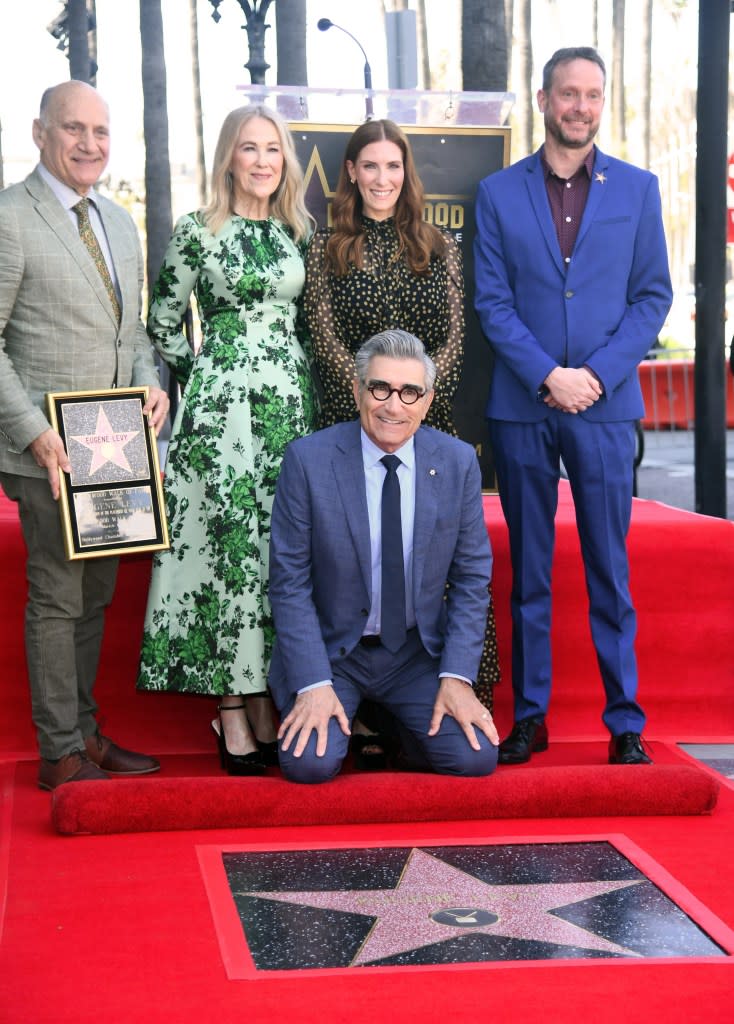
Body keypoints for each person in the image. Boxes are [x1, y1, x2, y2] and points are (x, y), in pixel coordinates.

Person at [473, 47, 673, 766]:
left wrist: (594, 374)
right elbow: (491, 301)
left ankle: (625, 720)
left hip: (606, 405)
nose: (580, 106)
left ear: (601, 102)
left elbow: (654, 296)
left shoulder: (639, 190)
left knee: (608, 569)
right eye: (568, 93)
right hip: (525, 407)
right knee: (528, 570)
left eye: (591, 94)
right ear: (543, 99)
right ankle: (530, 716)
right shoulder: (497, 193)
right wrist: (547, 376)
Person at [303, 118, 500, 757]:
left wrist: (408, 400)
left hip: (424, 424)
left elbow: (454, 338)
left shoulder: (438, 245)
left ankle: (450, 689)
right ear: (352, 173)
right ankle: (356, 698)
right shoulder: (326, 247)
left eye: (393, 167)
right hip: (350, 419)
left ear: (404, 173)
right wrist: (372, 396)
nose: (382, 179)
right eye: (370, 166)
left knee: (437, 561)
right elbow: (321, 334)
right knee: (352, 555)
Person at [137, 104, 318, 776]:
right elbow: (160, 323)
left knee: (279, 555)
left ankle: (267, 694)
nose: (264, 161)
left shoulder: (297, 232)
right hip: (221, 424)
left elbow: (301, 330)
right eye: (250, 148)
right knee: (227, 556)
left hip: (288, 417)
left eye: (274, 149)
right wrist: (205, 377)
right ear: (229, 158)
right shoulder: (196, 231)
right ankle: (231, 708)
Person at [0, 81, 169, 790]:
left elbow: (130, 334)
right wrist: (33, 431)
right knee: (59, 597)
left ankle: (86, 734)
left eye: (101, 131)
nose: (90, 144)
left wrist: (152, 380)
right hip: (51, 451)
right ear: (40, 132)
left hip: (114, 447)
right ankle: (60, 754)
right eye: (74, 129)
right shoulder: (11, 216)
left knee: (95, 596)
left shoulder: (118, 223)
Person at [267, 329, 499, 784]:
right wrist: (314, 683)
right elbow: (289, 582)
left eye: (410, 392)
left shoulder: (455, 462)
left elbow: (473, 578)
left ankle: (393, 723)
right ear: (358, 391)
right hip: (337, 653)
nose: (394, 406)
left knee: (475, 760)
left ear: (427, 400)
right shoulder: (308, 461)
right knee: (308, 766)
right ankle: (359, 714)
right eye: (380, 388)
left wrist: (457, 678)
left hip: (415, 652)